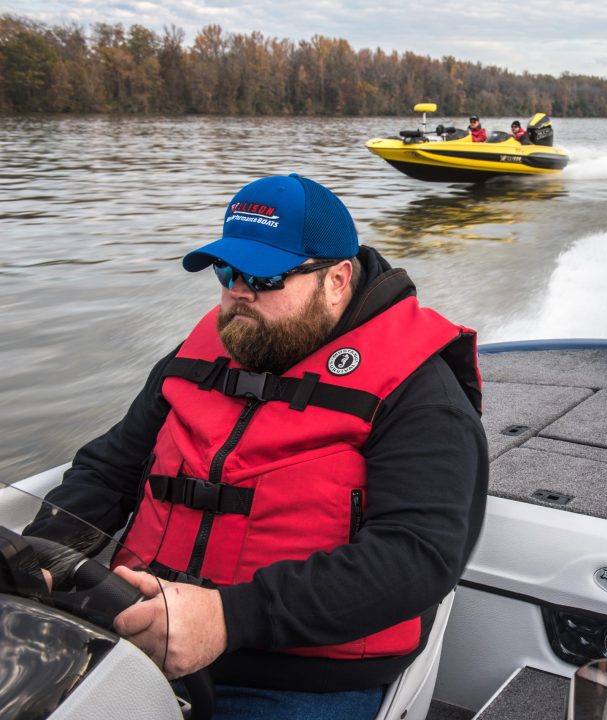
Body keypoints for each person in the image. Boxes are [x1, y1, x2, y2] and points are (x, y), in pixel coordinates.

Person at [25, 174, 488, 720]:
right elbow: (110, 468)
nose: (239, 290)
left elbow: (417, 558)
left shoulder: (420, 391)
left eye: (264, 275)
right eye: (227, 270)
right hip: (133, 626)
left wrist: (228, 617)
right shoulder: (202, 353)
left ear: (337, 279)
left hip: (298, 678)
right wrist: (41, 555)